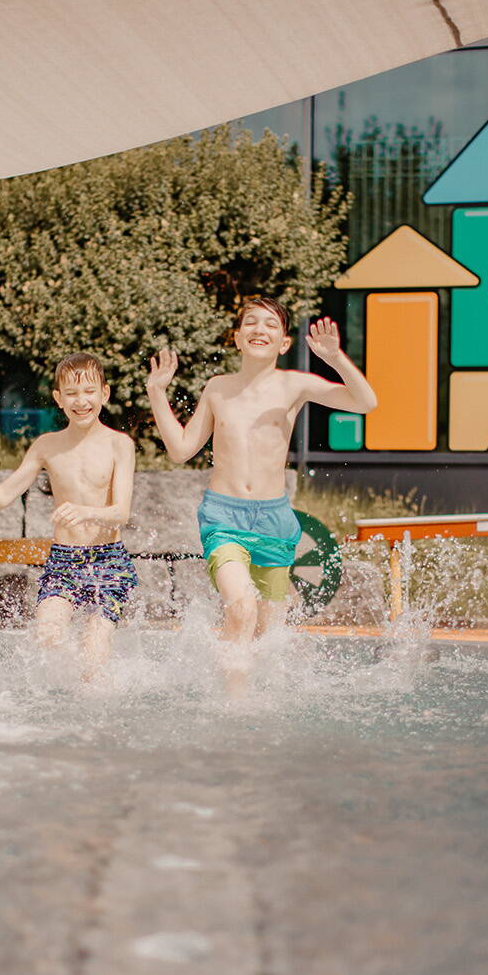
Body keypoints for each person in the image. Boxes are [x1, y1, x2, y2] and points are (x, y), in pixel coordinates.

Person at [146, 296, 377, 691]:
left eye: (270, 325)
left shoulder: (294, 384)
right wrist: (156, 392)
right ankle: (232, 705)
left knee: (269, 635)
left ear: (284, 343)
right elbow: (182, 449)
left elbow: (366, 403)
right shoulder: (218, 389)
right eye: (251, 323)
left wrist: (336, 358)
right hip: (224, 518)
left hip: (275, 520)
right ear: (237, 339)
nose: (259, 330)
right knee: (241, 606)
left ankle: (248, 698)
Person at [0, 352, 137, 680]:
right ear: (59, 399)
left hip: (109, 562)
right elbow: (2, 497)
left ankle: (93, 701)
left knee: (94, 652)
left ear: (105, 393)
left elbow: (121, 513)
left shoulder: (120, 445)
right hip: (64, 561)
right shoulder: (47, 446)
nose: (81, 401)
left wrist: (85, 511)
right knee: (48, 635)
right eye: (71, 394)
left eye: (89, 392)